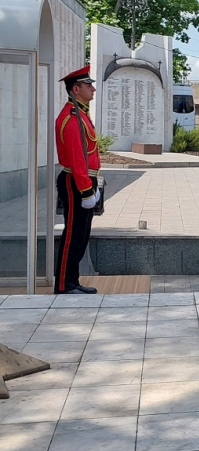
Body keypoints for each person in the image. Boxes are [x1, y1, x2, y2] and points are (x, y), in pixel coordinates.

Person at [55, 65, 101, 295]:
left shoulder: (81, 114)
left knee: (81, 235)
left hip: (83, 180)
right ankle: (64, 284)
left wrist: (93, 186)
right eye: (88, 85)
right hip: (75, 181)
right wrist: (86, 191)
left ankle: (72, 281)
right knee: (73, 234)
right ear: (75, 89)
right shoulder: (72, 118)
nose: (93, 89)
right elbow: (77, 159)